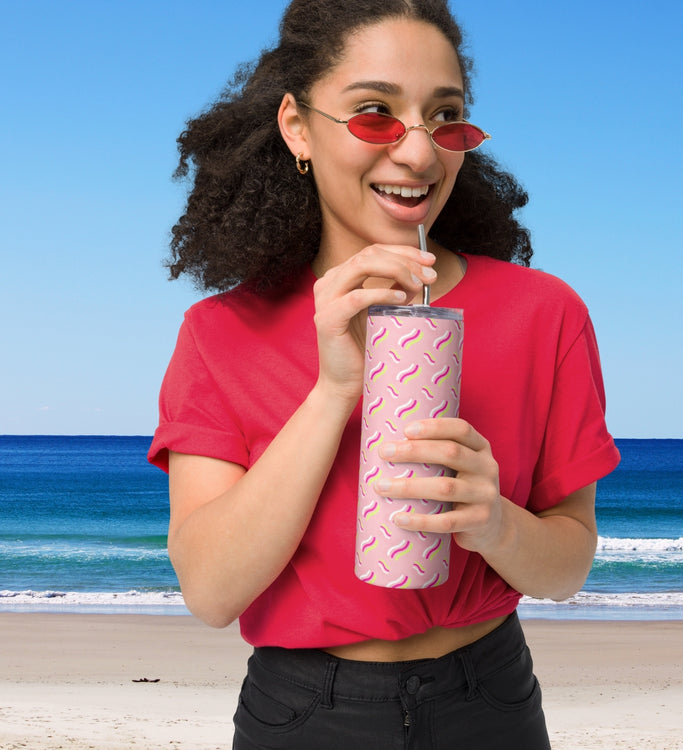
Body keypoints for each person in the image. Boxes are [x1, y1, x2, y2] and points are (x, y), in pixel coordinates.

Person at [148, 0, 620, 747]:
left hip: (490, 696)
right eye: (375, 114)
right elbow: (210, 591)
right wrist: (336, 389)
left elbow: (567, 566)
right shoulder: (220, 333)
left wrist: (496, 522)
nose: (420, 154)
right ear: (298, 127)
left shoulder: (545, 313)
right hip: (303, 709)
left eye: (446, 117)